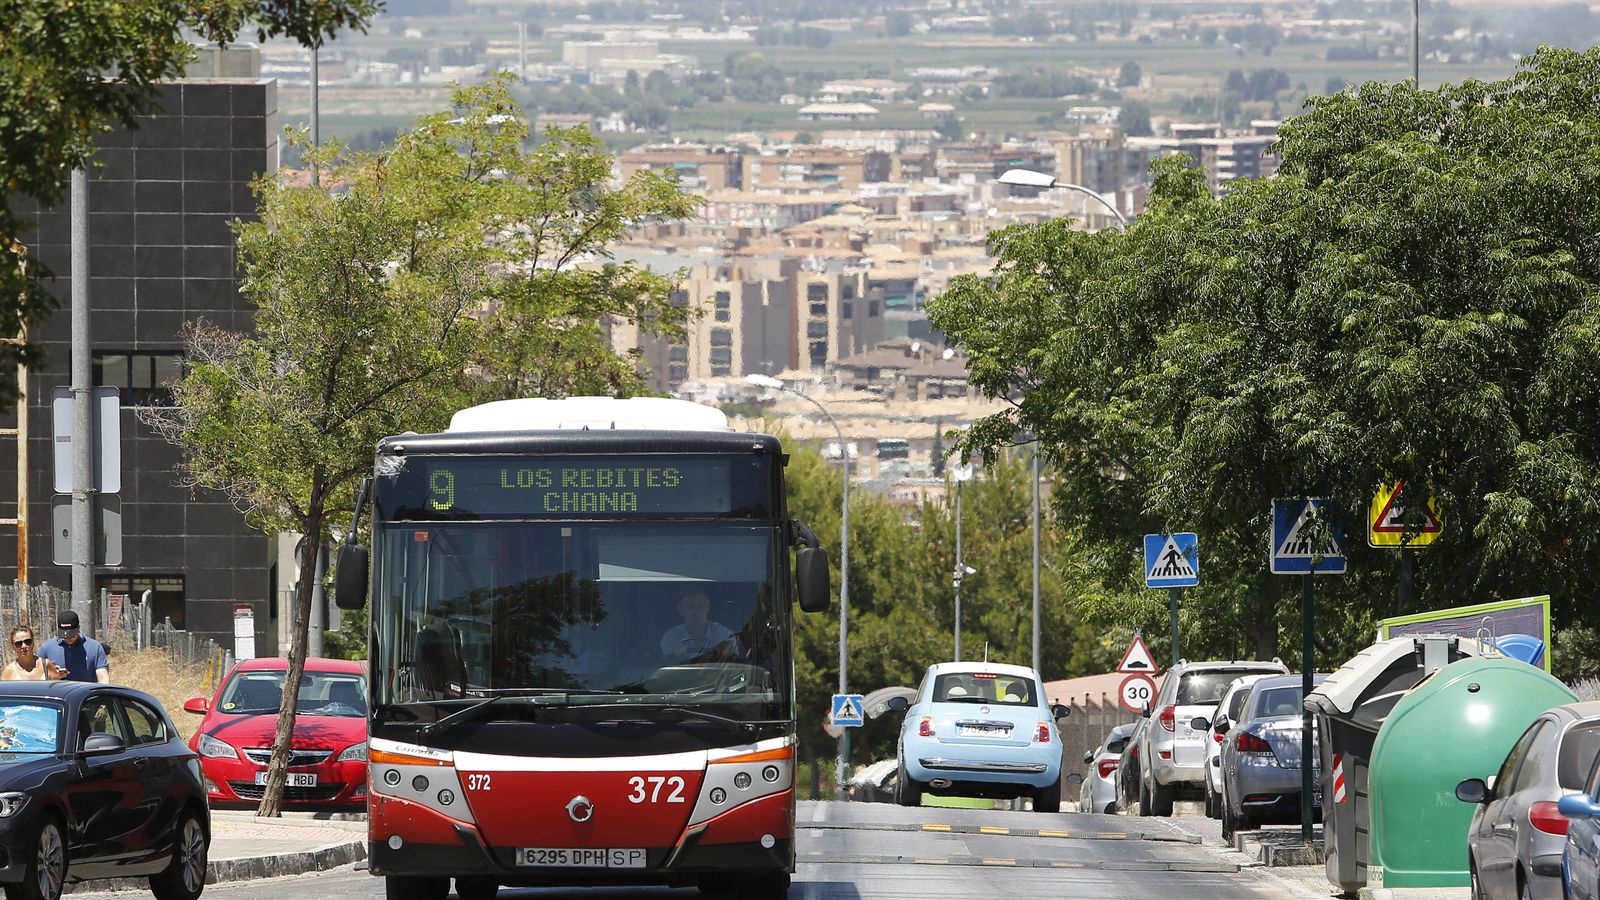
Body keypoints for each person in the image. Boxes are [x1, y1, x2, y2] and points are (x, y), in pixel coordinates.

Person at [659, 587, 738, 661]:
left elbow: (733, 663)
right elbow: (664, 666)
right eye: (690, 607)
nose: (696, 612)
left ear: (708, 607)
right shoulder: (671, 637)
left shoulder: (723, 635)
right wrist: (675, 657)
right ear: (681, 611)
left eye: (701, 606)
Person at [37, 610, 110, 684]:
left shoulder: (95, 647)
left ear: (78, 628)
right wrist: (52, 675)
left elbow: (103, 679)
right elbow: (37, 679)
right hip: (56, 694)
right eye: (64, 636)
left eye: (71, 635)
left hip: (85, 694)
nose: (68, 638)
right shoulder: (46, 648)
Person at [1, 626, 69, 682]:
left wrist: (61, 675)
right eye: (18, 643)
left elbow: (56, 689)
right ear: (13, 646)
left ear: (33, 643)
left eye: (28, 641)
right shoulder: (8, 671)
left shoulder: (46, 664)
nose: (24, 646)